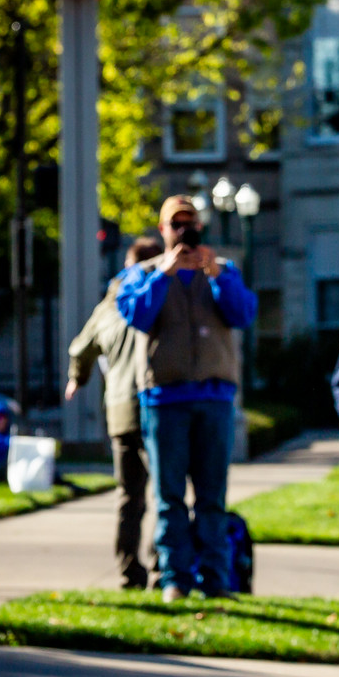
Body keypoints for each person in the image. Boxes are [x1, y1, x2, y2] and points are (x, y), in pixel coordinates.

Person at [117, 196, 258, 601]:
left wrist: (215, 273)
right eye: (175, 225)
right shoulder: (143, 273)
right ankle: (174, 578)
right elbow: (137, 315)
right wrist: (164, 273)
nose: (183, 232)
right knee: (169, 496)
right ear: (162, 230)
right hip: (165, 400)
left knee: (212, 495)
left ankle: (215, 579)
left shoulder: (224, 271)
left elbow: (243, 314)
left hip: (214, 397)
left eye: (190, 224)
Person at [69, 236, 164, 589]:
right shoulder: (160, 295)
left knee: (130, 496)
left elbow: (80, 347)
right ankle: (161, 567)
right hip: (156, 403)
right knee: (163, 494)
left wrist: (77, 379)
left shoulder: (108, 306)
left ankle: (129, 571)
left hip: (120, 410)